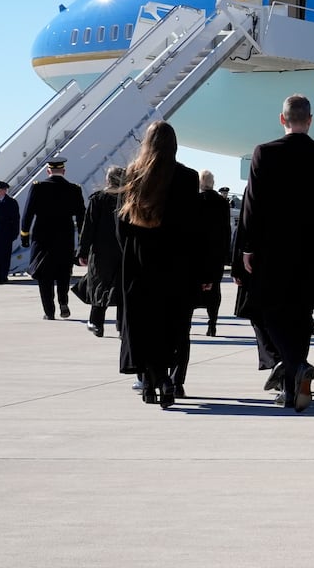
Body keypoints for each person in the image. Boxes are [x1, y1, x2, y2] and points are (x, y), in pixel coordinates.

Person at [236, 95, 314, 413]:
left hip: (273, 250)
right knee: (300, 315)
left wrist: (248, 247)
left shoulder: (264, 153)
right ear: (310, 120)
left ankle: (295, 365)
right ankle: (291, 388)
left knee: (269, 311)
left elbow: (252, 205)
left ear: (282, 119)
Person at [115, 122, 208, 409]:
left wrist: (130, 252)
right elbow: (195, 227)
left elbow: (121, 224)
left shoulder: (133, 174)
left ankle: (150, 384)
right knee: (172, 325)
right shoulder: (188, 177)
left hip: (140, 261)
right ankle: (166, 378)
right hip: (176, 262)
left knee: (143, 325)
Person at [19, 157, 85, 321]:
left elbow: (27, 214)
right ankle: (63, 301)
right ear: (63, 171)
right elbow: (82, 218)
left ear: (48, 171)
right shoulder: (74, 189)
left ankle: (49, 311)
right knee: (63, 271)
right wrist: (82, 241)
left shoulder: (38, 188)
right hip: (65, 237)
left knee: (44, 274)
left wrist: (25, 236)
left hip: (43, 237)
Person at [77, 167, 126, 338]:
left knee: (100, 286)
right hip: (124, 250)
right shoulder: (129, 199)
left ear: (108, 180)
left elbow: (88, 227)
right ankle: (121, 326)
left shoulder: (98, 199)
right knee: (122, 288)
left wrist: (82, 252)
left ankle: (97, 323)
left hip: (101, 252)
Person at [197, 170, 232, 337]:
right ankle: (212, 323)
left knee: (194, 288)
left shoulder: (194, 200)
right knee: (215, 289)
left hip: (198, 251)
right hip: (216, 251)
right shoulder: (222, 202)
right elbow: (226, 229)